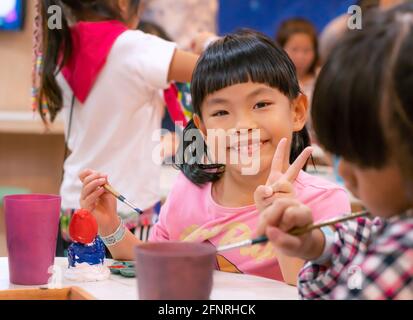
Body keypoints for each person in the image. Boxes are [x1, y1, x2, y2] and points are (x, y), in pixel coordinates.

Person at [79, 30, 350, 284]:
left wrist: (284, 224)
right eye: (221, 112)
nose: (242, 124)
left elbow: (310, 288)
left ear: (297, 111)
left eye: (261, 104)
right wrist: (110, 226)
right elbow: (156, 262)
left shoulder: (324, 201)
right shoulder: (188, 189)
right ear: (204, 128)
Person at [256, 3, 413, 299]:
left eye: (357, 153)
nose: (343, 171)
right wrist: (317, 244)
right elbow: (373, 234)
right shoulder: (397, 222)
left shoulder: (404, 253)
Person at [33, 0, 199, 256]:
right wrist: (209, 43)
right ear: (123, 3)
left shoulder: (61, 47)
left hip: (74, 208)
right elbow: (215, 70)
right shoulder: (135, 47)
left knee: (78, 292)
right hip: (126, 212)